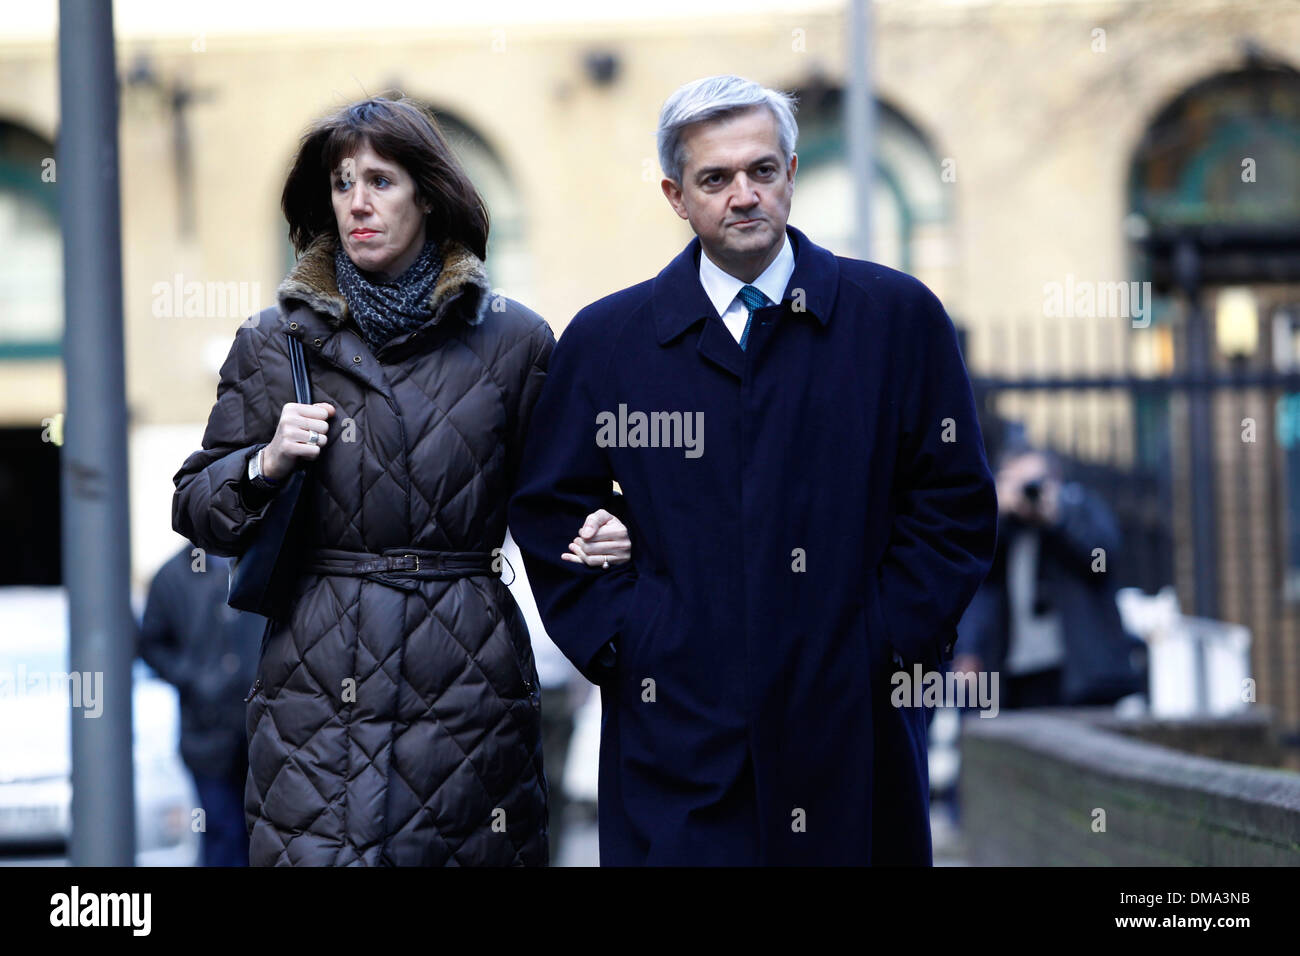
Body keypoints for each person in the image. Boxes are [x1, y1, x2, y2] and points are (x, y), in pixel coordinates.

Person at [508, 75, 999, 865]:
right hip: (677, 743)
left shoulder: (897, 320)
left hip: (852, 734)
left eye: (762, 171)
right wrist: (633, 640)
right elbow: (549, 510)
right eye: (716, 178)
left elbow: (953, 506)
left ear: (792, 174)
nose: (744, 195)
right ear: (676, 195)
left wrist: (884, 640)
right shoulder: (609, 342)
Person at [172, 95, 629, 866]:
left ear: (429, 192)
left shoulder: (513, 339)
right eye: (342, 182)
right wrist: (266, 462)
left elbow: (561, 497)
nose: (358, 202)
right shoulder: (273, 340)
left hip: (466, 677)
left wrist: (613, 528)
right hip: (313, 686)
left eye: (381, 181)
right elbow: (197, 507)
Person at [952, 438, 1148, 708]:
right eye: (1017, 483)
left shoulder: (1080, 510)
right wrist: (993, 514)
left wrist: (1057, 521)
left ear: (1055, 482)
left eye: (1033, 483)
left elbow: (1100, 563)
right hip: (1012, 676)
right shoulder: (1003, 531)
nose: (1027, 493)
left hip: (1077, 676)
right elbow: (975, 585)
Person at [137, 542, 263, 866]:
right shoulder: (172, 576)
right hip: (206, 735)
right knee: (223, 832)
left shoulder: (265, 558)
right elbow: (152, 644)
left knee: (262, 833)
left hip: (263, 730)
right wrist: (194, 679)